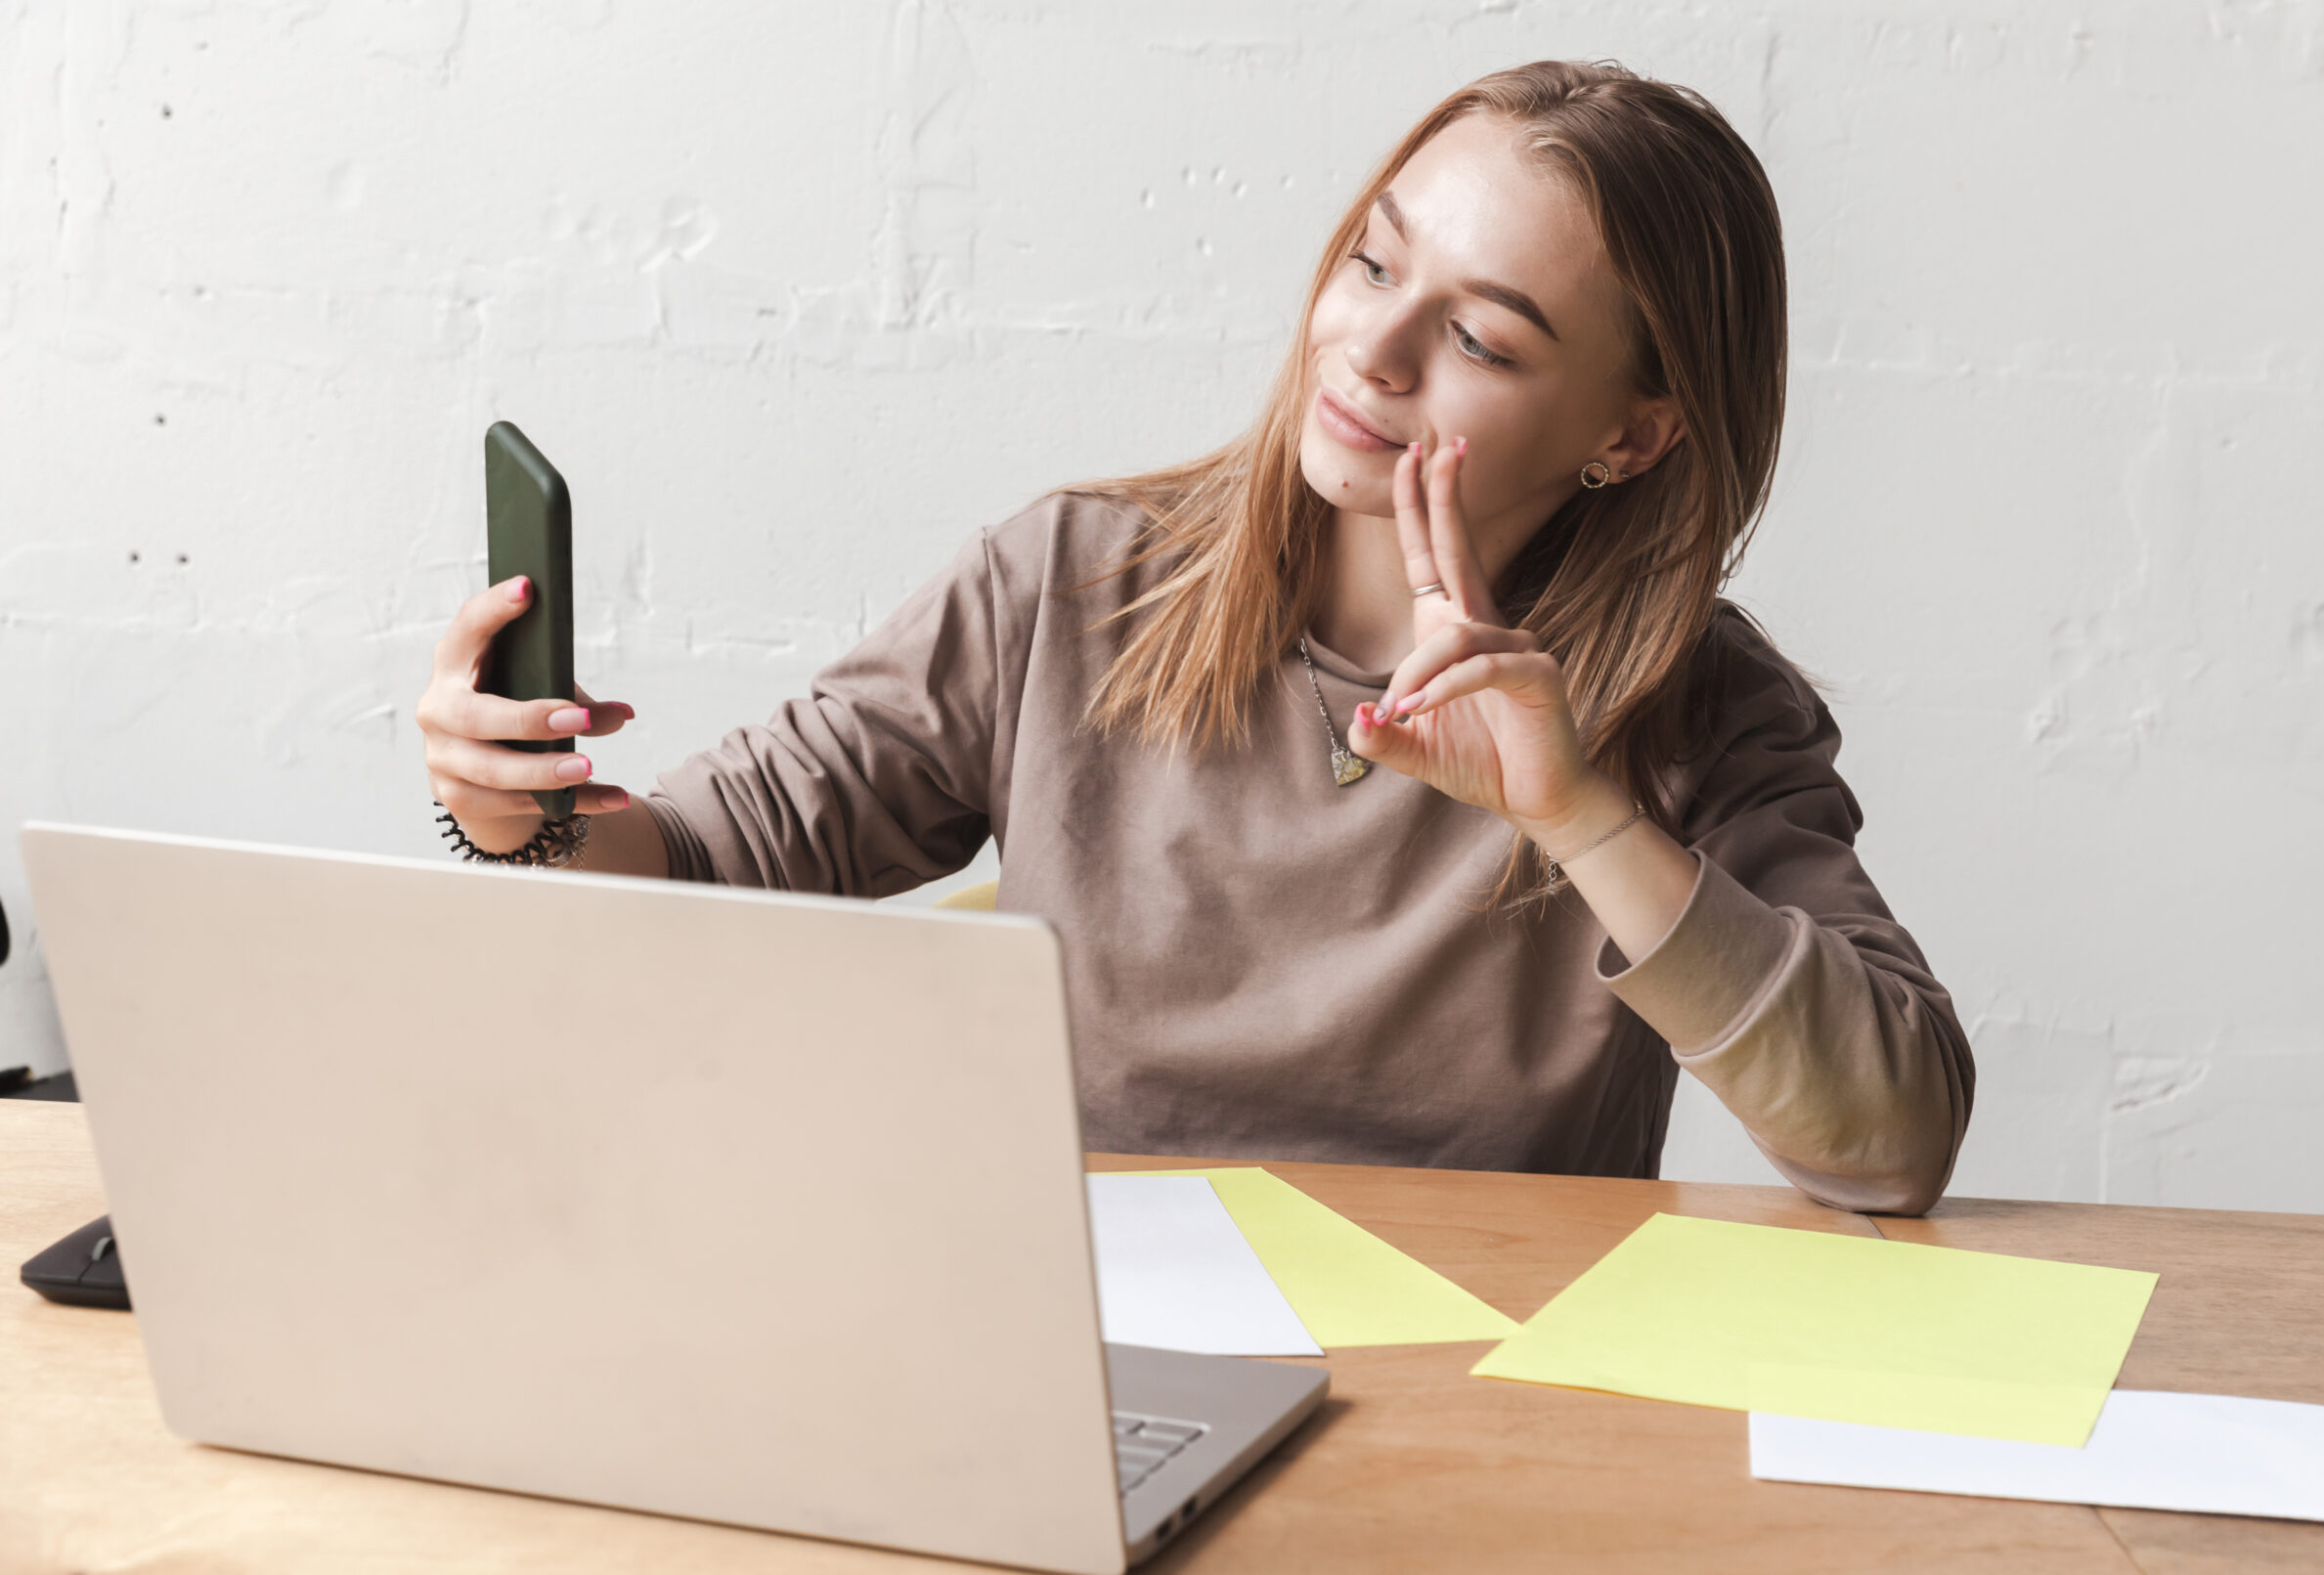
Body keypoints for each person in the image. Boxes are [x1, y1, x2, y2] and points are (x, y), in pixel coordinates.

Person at [418, 61, 1973, 1213]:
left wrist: (1580, 813)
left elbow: (1892, 1142)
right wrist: (517, 815)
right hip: (1079, 1367)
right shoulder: (1074, 584)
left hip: (1473, 1414)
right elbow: (701, 855)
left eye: (1484, 337)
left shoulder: (1699, 709)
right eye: (1374, 261)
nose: (1372, 345)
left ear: (1629, 438)